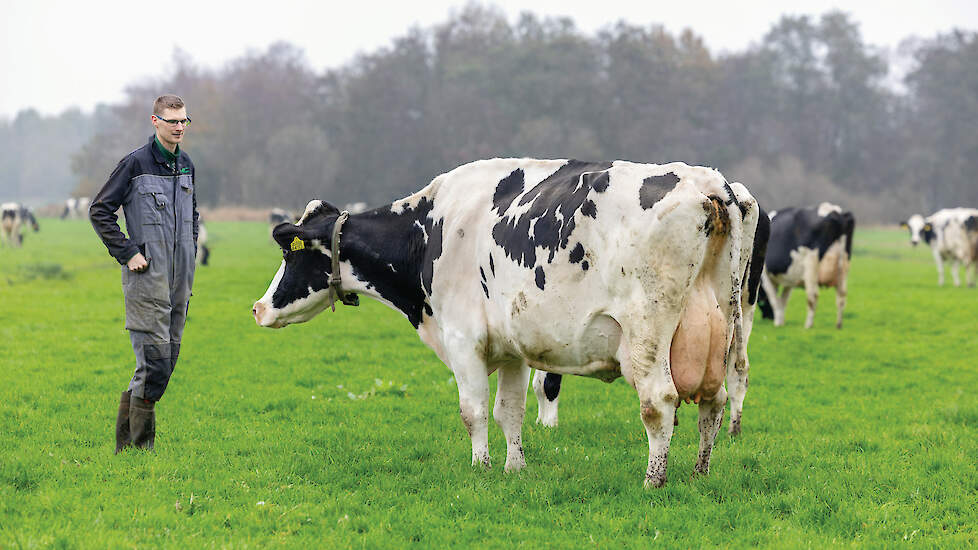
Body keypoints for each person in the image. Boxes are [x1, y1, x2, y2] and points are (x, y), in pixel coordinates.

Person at [89, 94, 198, 453]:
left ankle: (128, 446)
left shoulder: (187, 167)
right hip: (147, 282)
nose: (179, 127)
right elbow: (100, 210)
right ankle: (138, 448)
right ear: (155, 122)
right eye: (172, 121)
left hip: (181, 283)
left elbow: (192, 217)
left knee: (167, 362)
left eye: (184, 121)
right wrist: (127, 252)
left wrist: (191, 251)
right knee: (154, 362)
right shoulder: (134, 164)